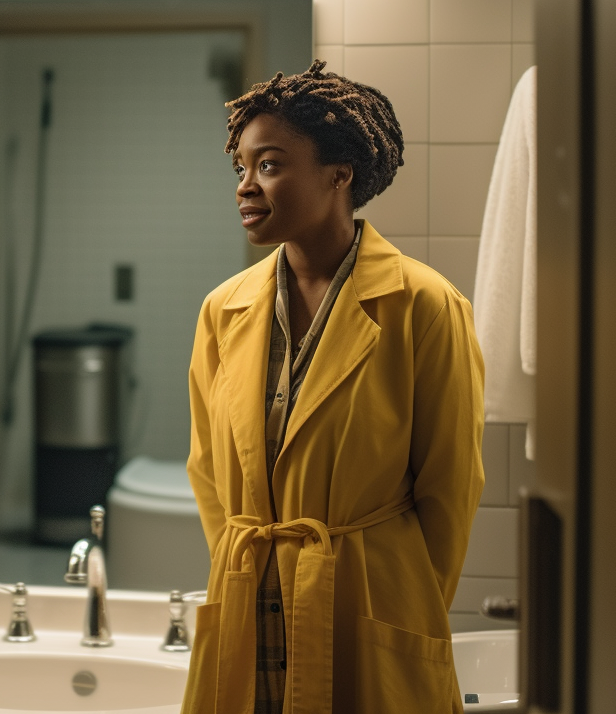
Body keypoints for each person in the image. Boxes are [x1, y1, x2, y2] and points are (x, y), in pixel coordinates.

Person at [181, 60, 485, 714]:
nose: (246, 186)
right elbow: (208, 474)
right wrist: (258, 568)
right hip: (247, 599)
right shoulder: (222, 309)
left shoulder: (424, 305)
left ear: (338, 174)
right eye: (241, 167)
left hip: (367, 605)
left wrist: (392, 600)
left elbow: (449, 491)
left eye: (269, 165)